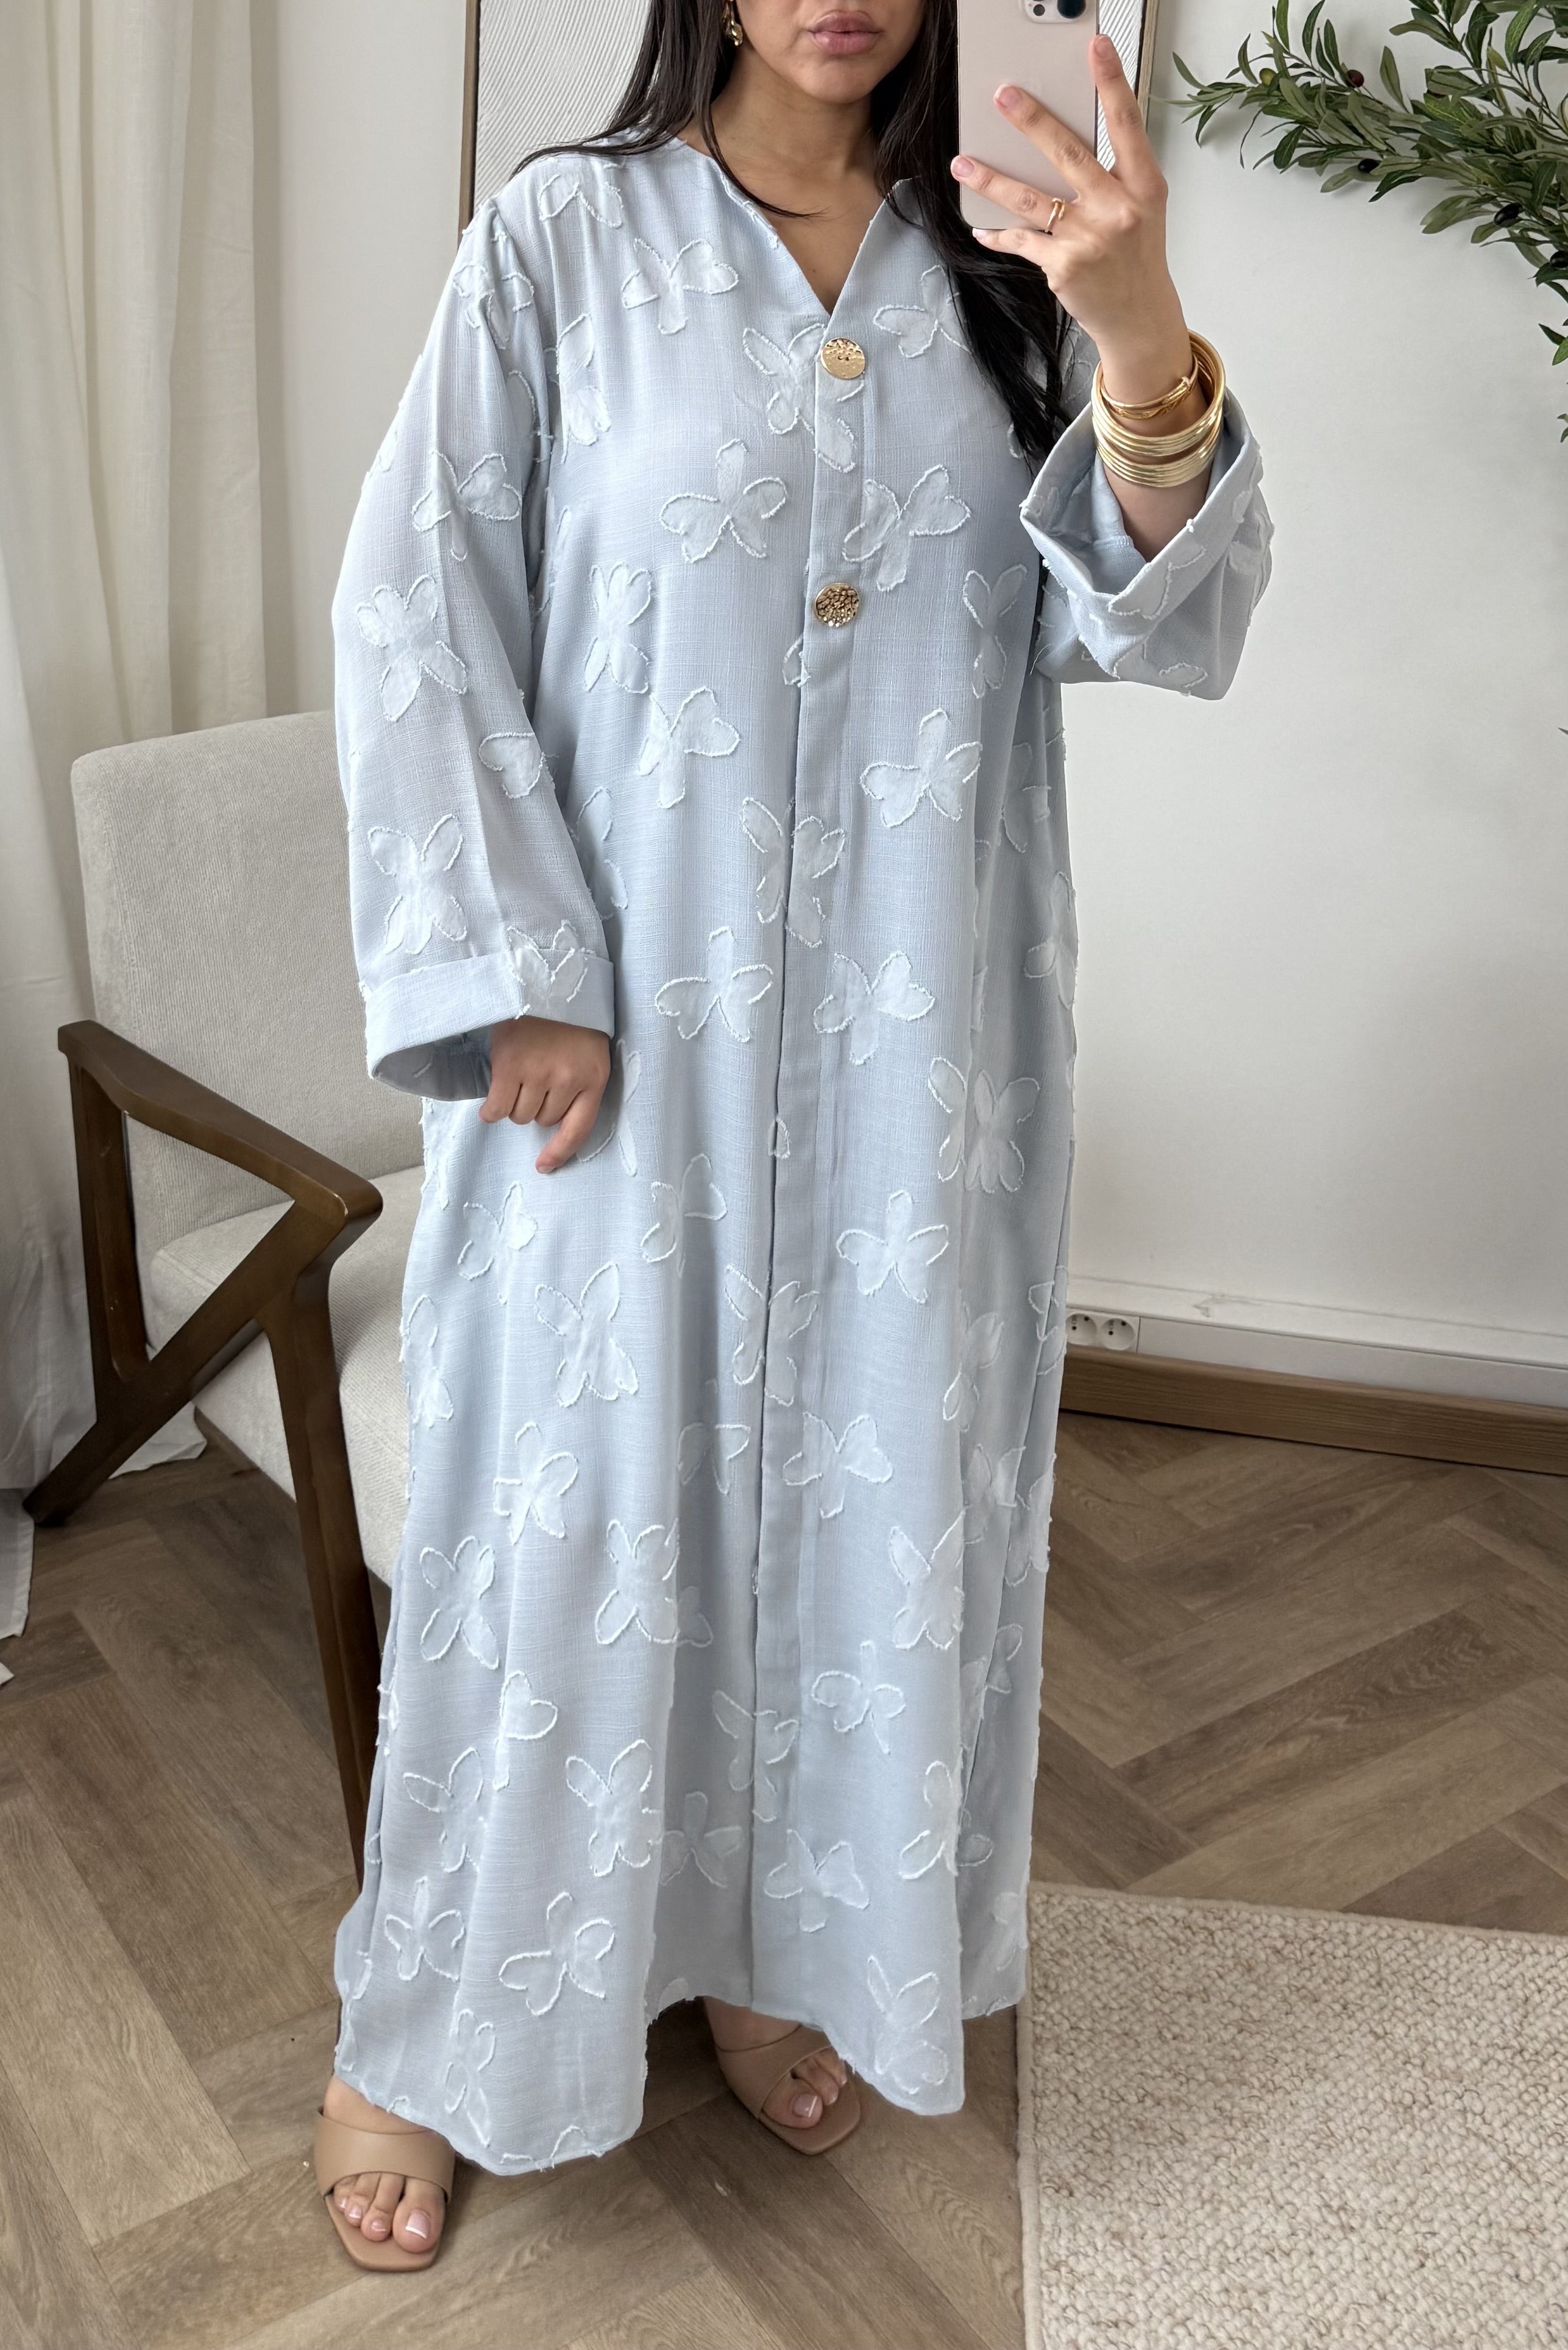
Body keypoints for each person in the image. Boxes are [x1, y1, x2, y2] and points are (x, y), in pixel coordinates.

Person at [313, 0, 1271, 2270]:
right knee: (563, 1541)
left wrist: (1140, 331)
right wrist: (517, 973)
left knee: (862, 1539)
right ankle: (422, 2034)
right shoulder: (562, 243)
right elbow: (416, 606)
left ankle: (779, 1954)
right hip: (613, 1062)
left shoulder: (1005, 265)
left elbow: (1164, 621)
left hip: (918, 1076)